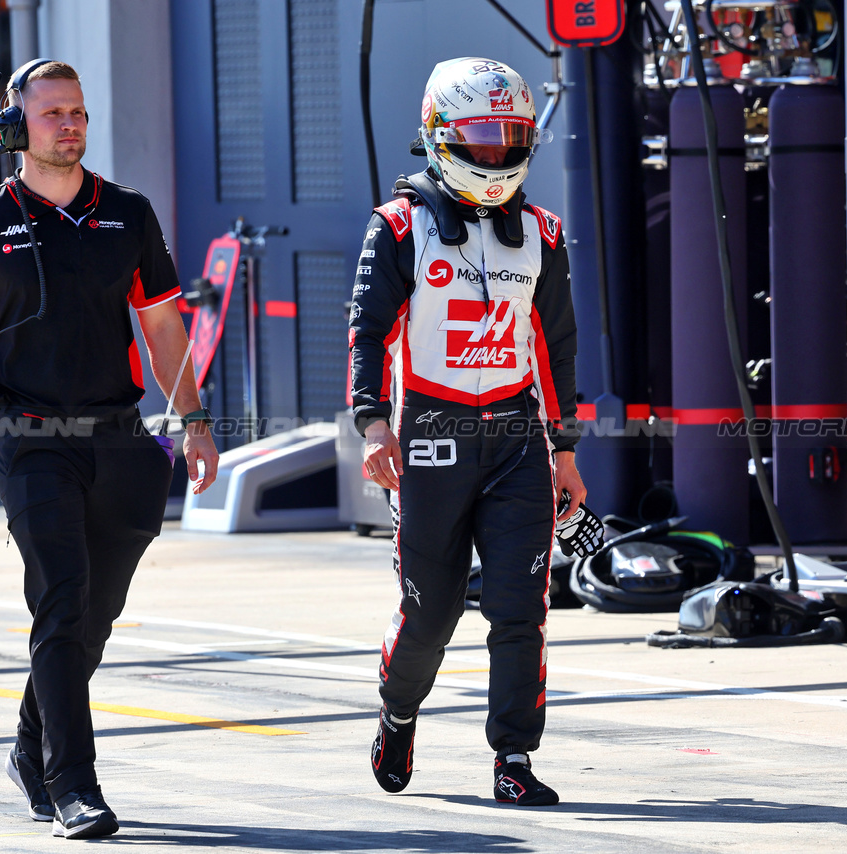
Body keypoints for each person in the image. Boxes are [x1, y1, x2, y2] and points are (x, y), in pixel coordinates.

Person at [0, 59, 218, 840]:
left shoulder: (128, 214)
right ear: (15, 128)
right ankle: (73, 784)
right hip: (30, 438)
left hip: (121, 437)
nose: (69, 126)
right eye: (53, 113)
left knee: (95, 615)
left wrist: (193, 419)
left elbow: (164, 326)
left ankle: (30, 746)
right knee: (61, 597)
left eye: (79, 113)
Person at [349, 57, 584, 806]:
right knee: (432, 611)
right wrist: (372, 424)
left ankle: (512, 758)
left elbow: (557, 344)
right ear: (438, 137)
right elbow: (369, 333)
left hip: (517, 437)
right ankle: (398, 712)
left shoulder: (543, 231)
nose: (493, 154)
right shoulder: (397, 225)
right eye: (478, 138)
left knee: (523, 608)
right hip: (429, 433)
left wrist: (567, 448)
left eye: (508, 137)